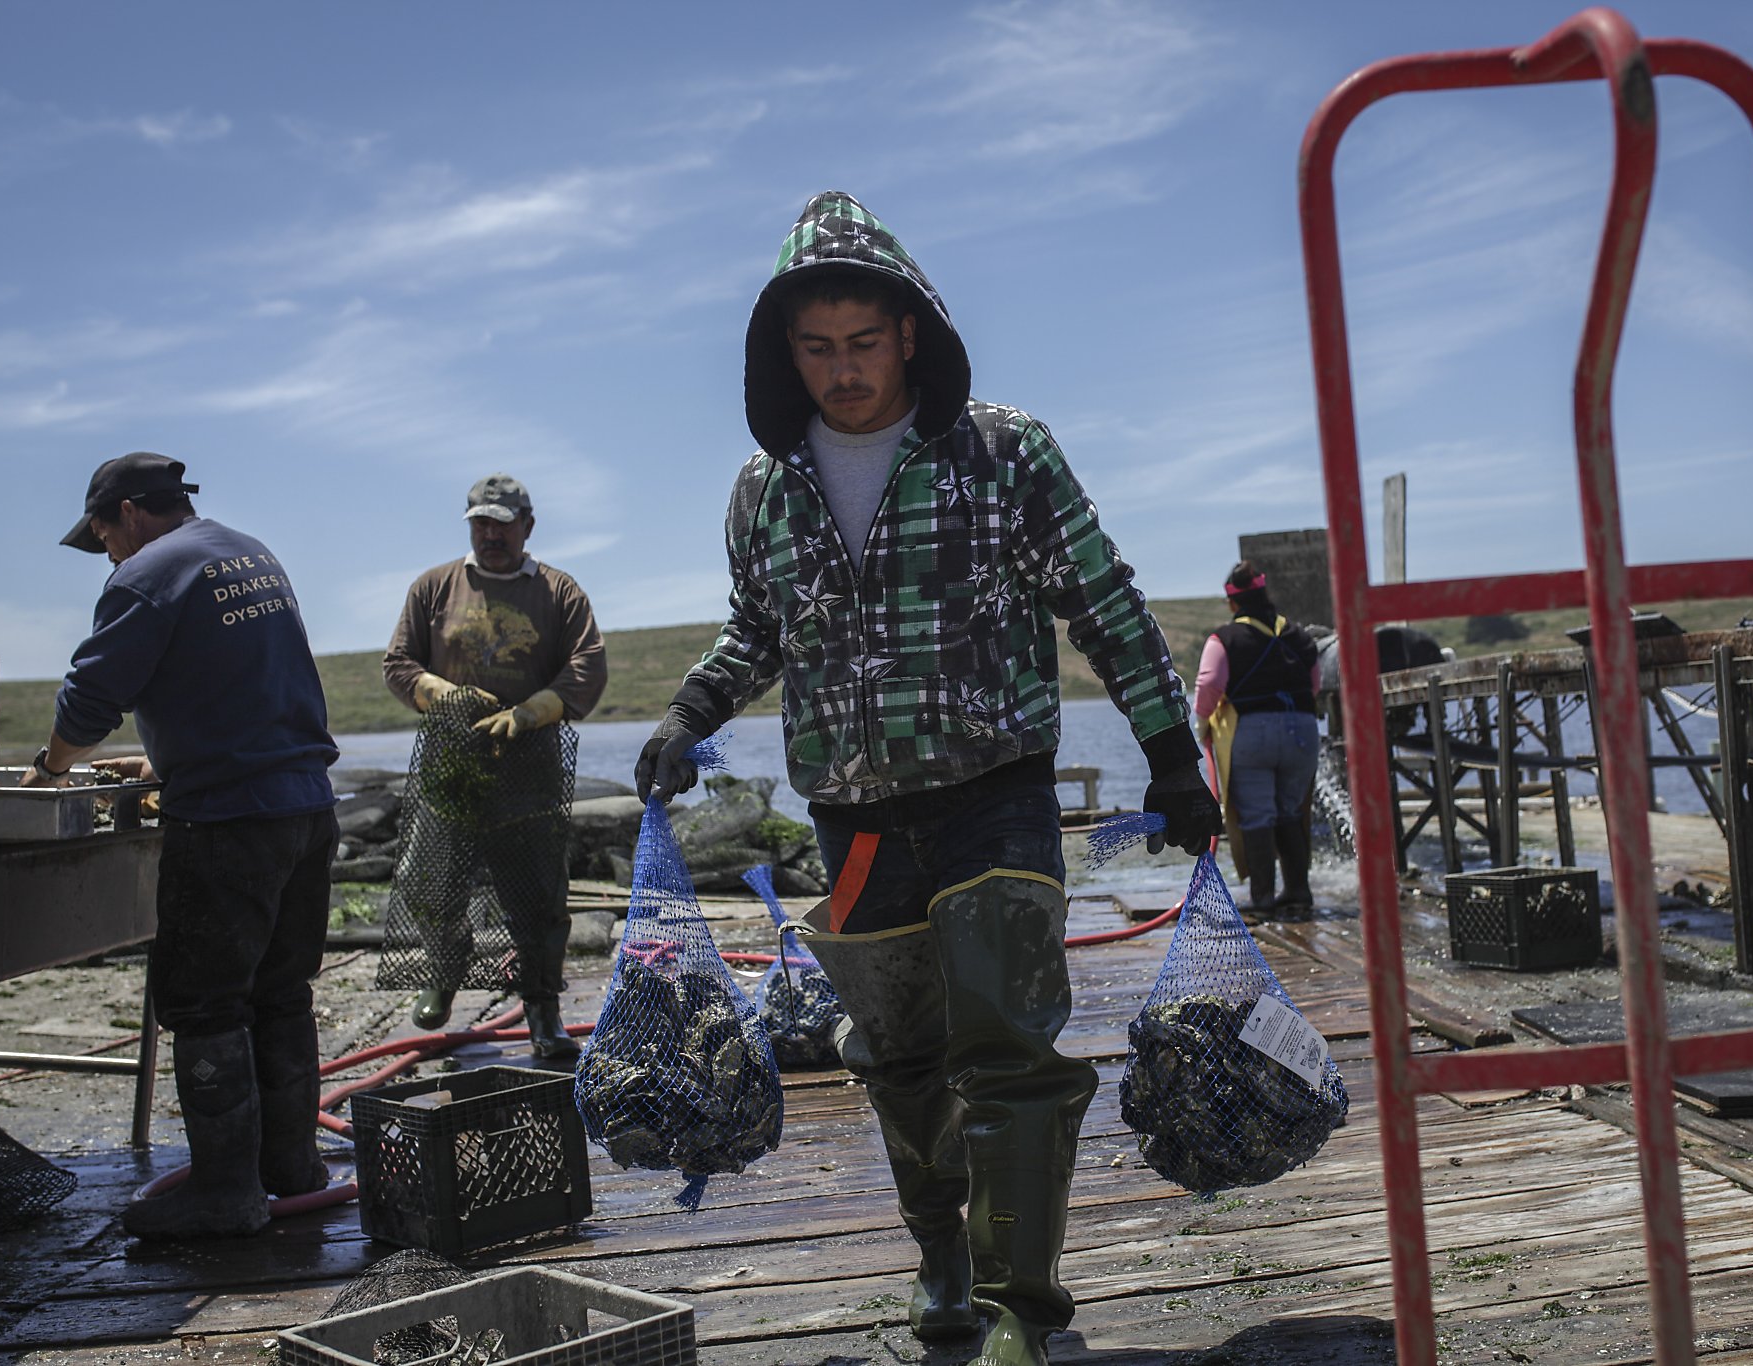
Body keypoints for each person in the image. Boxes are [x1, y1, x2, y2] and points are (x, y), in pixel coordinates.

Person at [634, 191, 1220, 1366]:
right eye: (817, 348)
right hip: (851, 820)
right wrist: (690, 709)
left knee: (1007, 1046)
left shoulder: (1002, 451)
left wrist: (1169, 749)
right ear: (784, 351)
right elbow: (757, 628)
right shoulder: (764, 488)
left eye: (863, 342)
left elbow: (1102, 600)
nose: (843, 371)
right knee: (896, 1055)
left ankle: (1019, 1307)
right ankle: (941, 1256)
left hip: (993, 795)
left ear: (909, 333)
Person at [22, 451, 340, 1240]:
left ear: (128, 513)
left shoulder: (147, 574)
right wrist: (165, 758)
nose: (108, 556)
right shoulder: (248, 553)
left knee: (204, 1002)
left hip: (229, 821)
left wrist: (48, 771)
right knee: (281, 991)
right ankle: (291, 1169)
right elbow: (240, 686)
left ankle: (226, 1195)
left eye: (103, 538)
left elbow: (90, 699)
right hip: (305, 807)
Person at [381, 473, 607, 1060]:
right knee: (431, 881)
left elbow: (587, 667)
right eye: (481, 524)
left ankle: (542, 1009)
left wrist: (533, 711)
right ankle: (443, 972)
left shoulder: (558, 592)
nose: (491, 535)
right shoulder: (434, 587)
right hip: (451, 764)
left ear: (527, 526)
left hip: (530, 768)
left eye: (502, 525)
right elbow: (399, 664)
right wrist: (443, 694)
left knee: (539, 897)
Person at [1193, 562, 1320, 918]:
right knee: (1291, 811)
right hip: (1303, 730)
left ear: (1233, 603)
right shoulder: (1300, 636)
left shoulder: (1224, 639)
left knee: (1257, 813)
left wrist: (1202, 723)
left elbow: (1209, 684)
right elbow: (1314, 685)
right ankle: (1298, 892)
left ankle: (1262, 898)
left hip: (1251, 734)